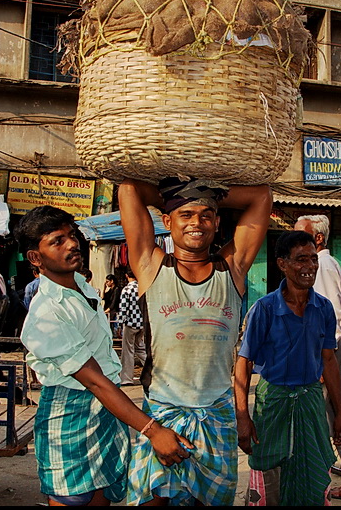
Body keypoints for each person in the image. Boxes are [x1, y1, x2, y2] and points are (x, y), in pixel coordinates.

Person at [14, 205, 192, 506]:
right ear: (36, 257)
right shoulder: (47, 311)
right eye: (57, 241)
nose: (72, 244)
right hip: (69, 415)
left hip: (106, 411)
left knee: (101, 496)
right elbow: (96, 382)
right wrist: (152, 431)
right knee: (71, 498)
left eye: (71, 236)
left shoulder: (81, 286)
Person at [119, 176, 272, 506]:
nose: (196, 223)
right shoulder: (151, 266)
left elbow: (261, 196)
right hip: (162, 416)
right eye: (185, 215)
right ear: (167, 221)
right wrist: (177, 194)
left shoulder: (232, 268)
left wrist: (204, 190)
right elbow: (129, 188)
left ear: (217, 223)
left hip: (216, 419)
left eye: (205, 215)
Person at [235, 230, 341, 506]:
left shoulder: (323, 308)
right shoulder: (264, 309)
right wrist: (242, 417)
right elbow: (244, 362)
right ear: (282, 264)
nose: (309, 267)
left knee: (311, 478)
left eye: (313, 259)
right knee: (269, 480)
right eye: (301, 260)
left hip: (310, 402)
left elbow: (329, 361)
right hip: (272, 403)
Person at [294, 214, 341, 504]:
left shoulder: (321, 264)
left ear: (317, 239)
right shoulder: (329, 262)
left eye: (300, 236)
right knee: (332, 415)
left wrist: (323, 361)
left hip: (323, 352)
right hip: (324, 350)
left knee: (330, 416)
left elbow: (325, 316)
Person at [118, 268, 146, 386]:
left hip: (130, 323)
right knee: (140, 348)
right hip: (142, 323)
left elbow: (124, 308)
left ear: (126, 276)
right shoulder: (143, 287)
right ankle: (154, 371)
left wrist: (120, 323)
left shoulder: (127, 290)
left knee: (128, 351)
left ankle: (126, 379)